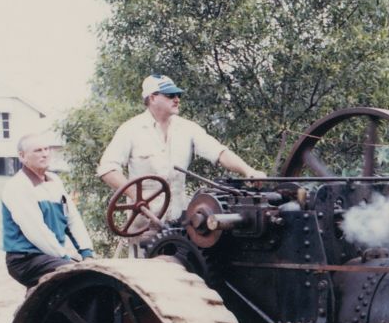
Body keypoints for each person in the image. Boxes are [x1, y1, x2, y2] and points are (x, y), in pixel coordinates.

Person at [97, 73, 264, 226]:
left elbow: (219, 152)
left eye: (178, 95)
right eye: (170, 95)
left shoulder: (187, 128)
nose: (177, 99)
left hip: (181, 221)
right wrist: (136, 195)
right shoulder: (131, 129)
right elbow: (107, 169)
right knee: (145, 258)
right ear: (153, 98)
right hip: (144, 224)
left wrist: (248, 171)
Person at [2, 134, 95, 288]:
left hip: (50, 256)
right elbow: (37, 232)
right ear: (22, 156)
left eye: (47, 149)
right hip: (27, 259)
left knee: (96, 272)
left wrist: (87, 253)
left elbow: (72, 219)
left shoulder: (54, 181)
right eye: (38, 150)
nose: (45, 154)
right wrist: (65, 258)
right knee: (81, 277)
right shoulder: (17, 186)